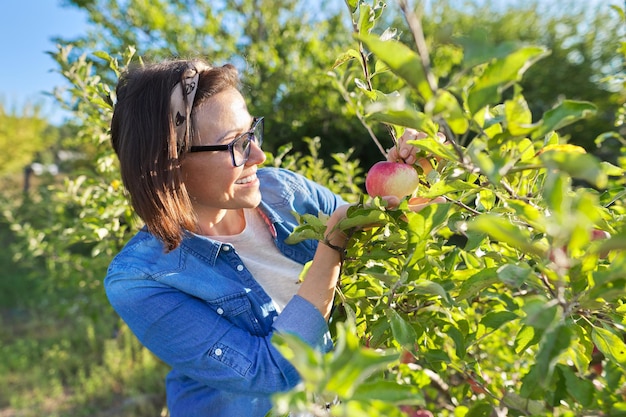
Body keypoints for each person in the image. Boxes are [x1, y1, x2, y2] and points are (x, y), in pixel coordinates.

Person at [105, 58, 435, 416]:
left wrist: (416, 179)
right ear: (169, 164)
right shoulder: (139, 280)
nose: (259, 156)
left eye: (252, 133)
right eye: (236, 144)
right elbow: (271, 371)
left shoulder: (285, 192)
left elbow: (380, 244)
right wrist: (331, 247)